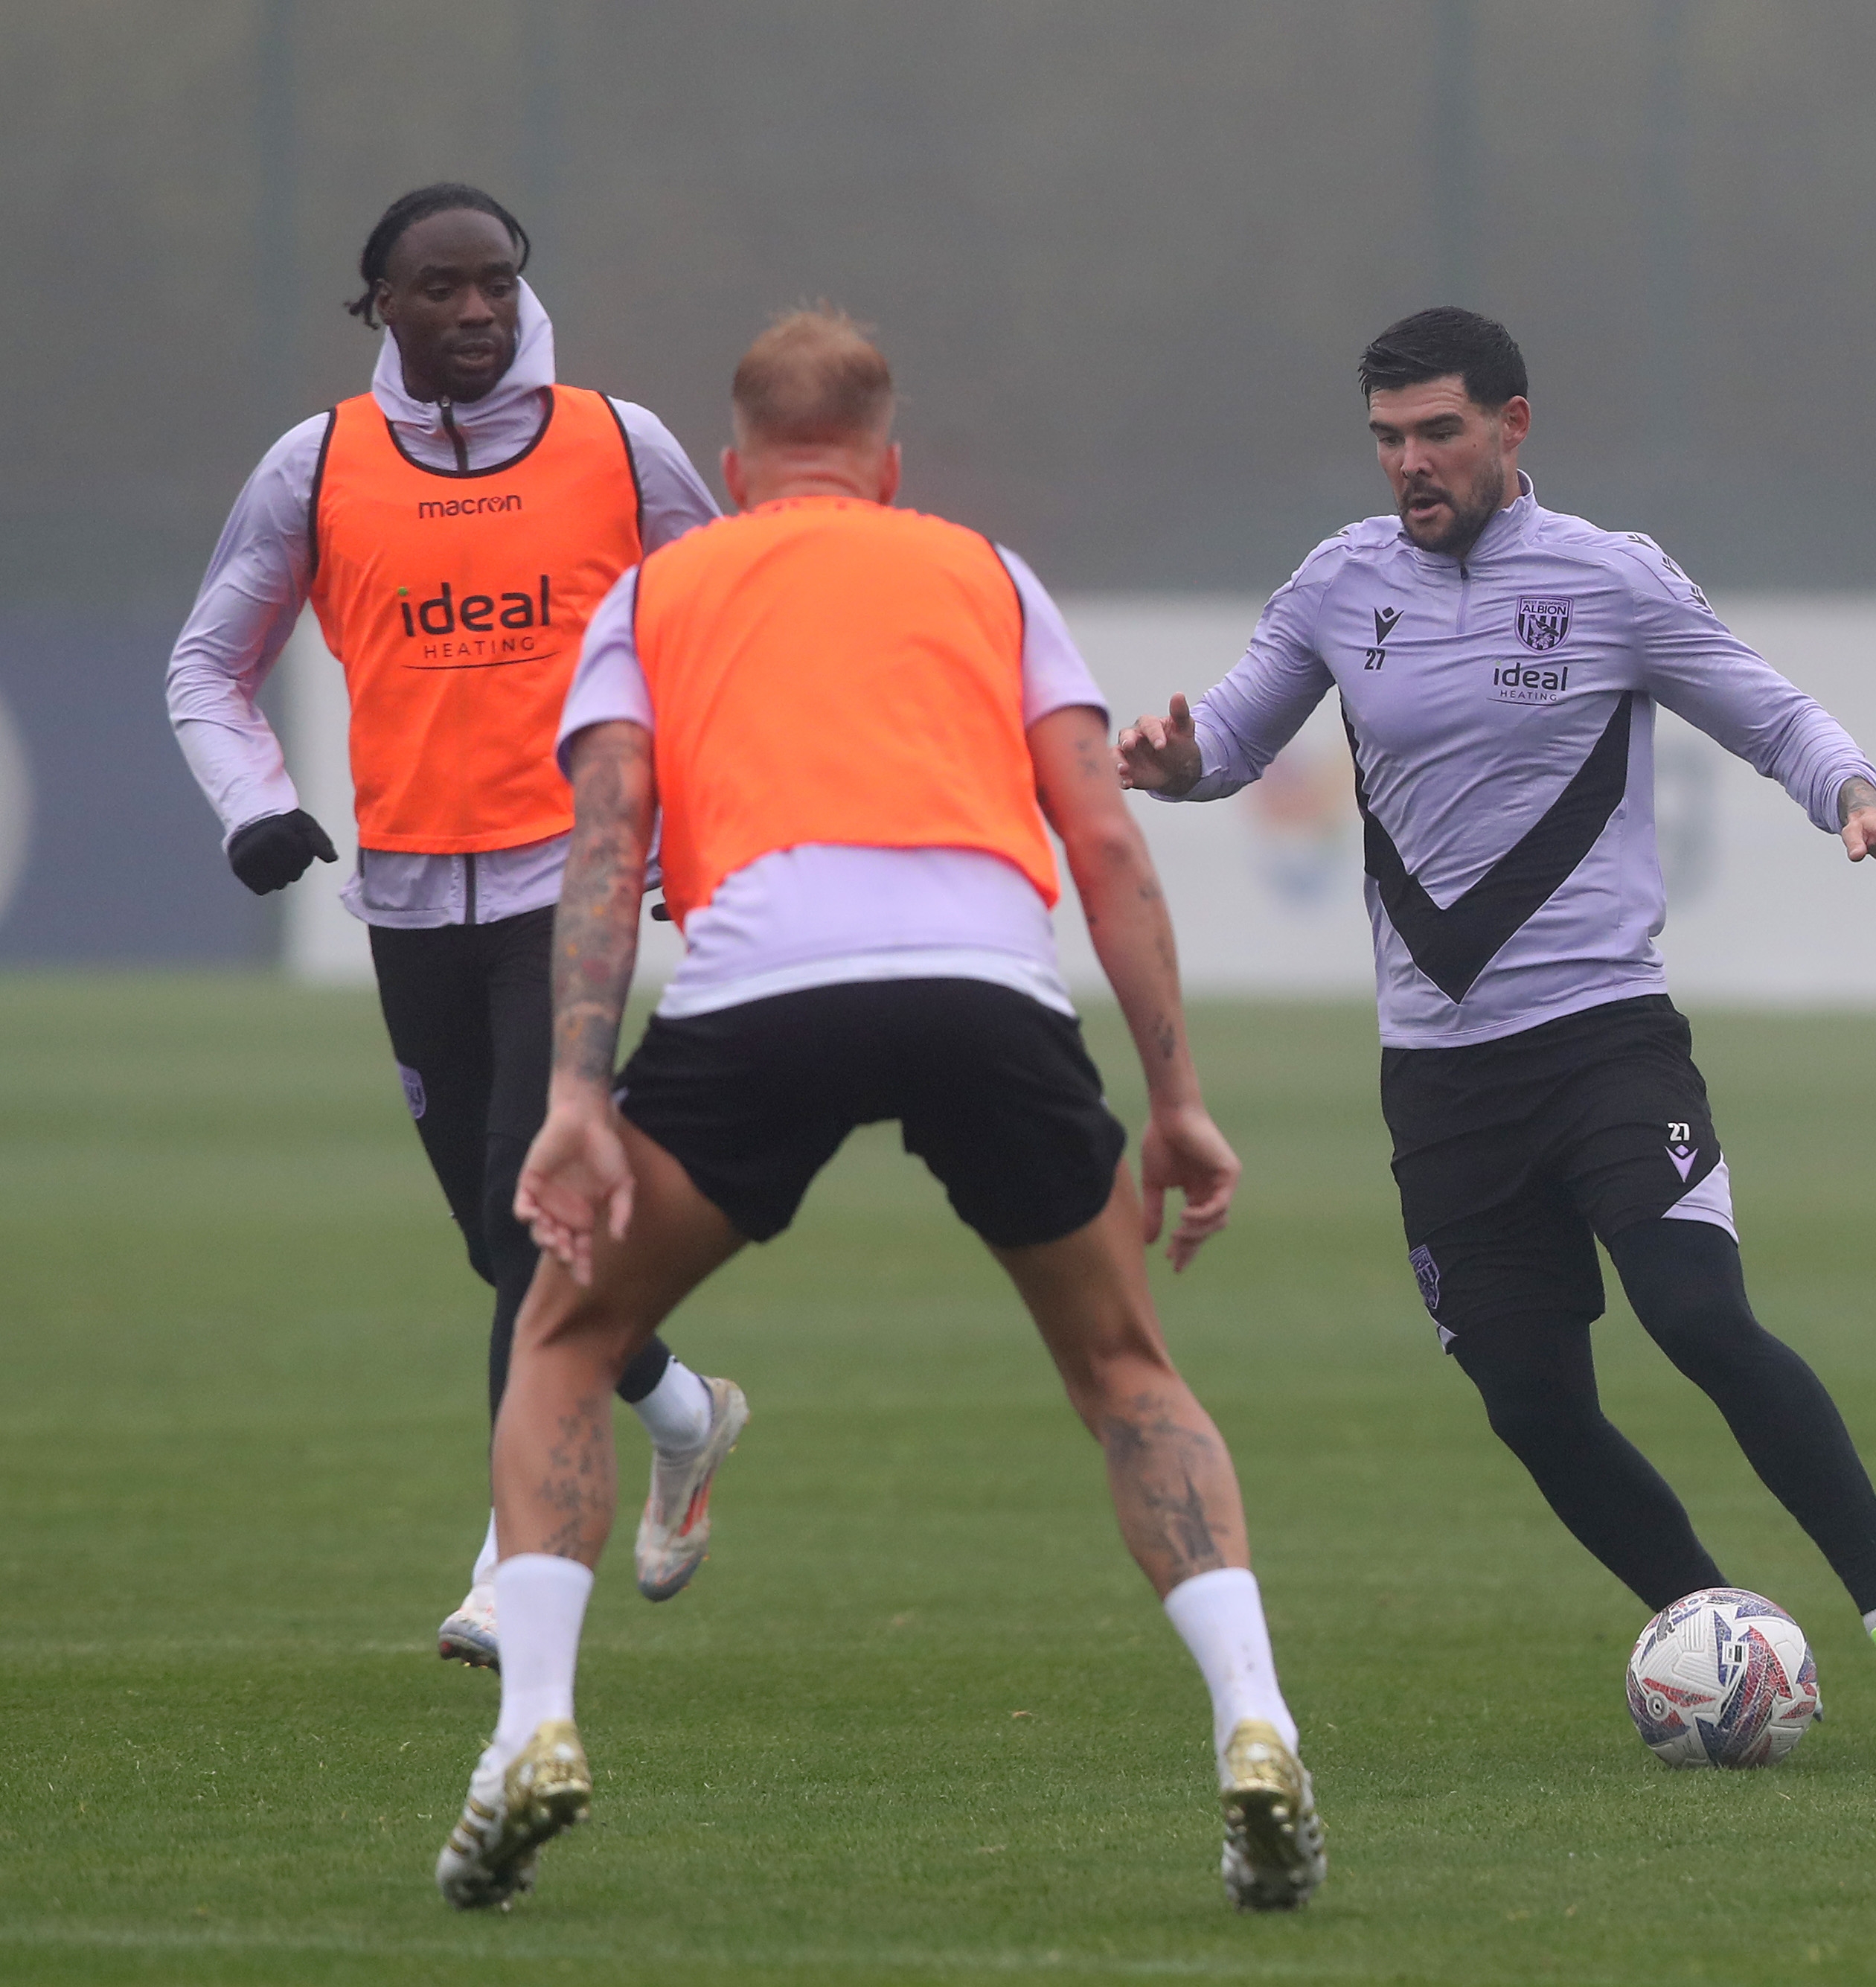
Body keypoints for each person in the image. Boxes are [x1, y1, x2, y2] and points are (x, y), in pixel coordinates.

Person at [432, 310, 1322, 1913]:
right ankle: (1254, 1721)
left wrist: (575, 1091)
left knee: (563, 1340)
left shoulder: (659, 586)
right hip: (985, 981)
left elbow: (607, 841)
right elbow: (1105, 844)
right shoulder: (983, 573)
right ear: (889, 463)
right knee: (1124, 1368)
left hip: (764, 983)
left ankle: (534, 1729)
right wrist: (1178, 1099)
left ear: (728, 468)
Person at [1117, 307, 1876, 1738]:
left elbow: (1771, 715)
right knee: (1530, 1405)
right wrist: (1178, 756)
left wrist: (1858, 799)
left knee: (1698, 1317)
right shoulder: (1341, 585)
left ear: (1512, 428)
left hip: (1602, 1040)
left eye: (1438, 432)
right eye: (1389, 438)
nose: (1412, 463)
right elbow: (1233, 733)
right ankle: (1730, 1641)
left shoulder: (1608, 579)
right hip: (1441, 1081)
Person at [164, 183, 748, 1671]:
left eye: (497, 283)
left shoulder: (622, 445)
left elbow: (727, 630)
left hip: (578, 883)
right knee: (501, 1239)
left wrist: (697, 832)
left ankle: (509, 1559)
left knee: (526, 1208)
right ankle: (683, 1409)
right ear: (381, 307)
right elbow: (207, 669)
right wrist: (253, 805)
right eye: (440, 289)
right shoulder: (317, 466)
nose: (477, 312)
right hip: (411, 898)